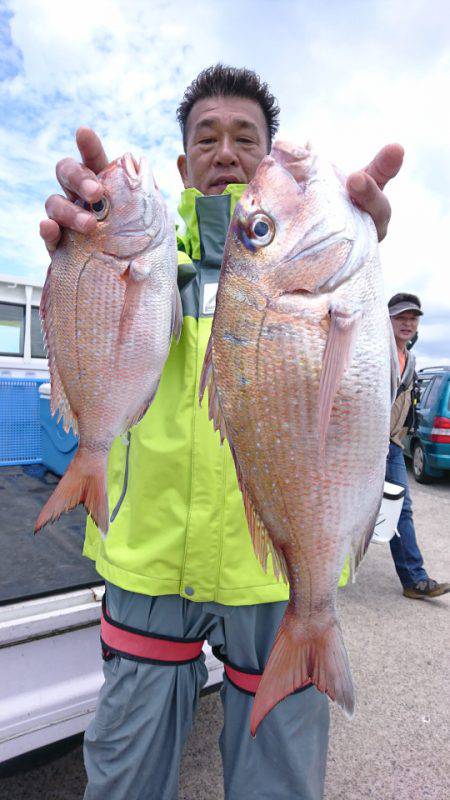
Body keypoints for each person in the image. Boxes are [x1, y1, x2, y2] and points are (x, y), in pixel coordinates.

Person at [40, 65, 405, 800]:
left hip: (272, 570)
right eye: (207, 138)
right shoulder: (147, 255)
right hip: (148, 559)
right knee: (125, 779)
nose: (226, 152)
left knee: (278, 782)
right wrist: (82, 257)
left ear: (269, 159)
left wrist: (363, 235)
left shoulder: (316, 259)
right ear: (183, 165)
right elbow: (99, 328)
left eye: (246, 138)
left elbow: (368, 382)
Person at [387, 292, 450, 600]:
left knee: (400, 507)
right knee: (344, 510)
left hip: (392, 445)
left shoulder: (410, 359)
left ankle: (414, 579)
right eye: (400, 317)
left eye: (412, 318)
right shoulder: (372, 352)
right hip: (359, 446)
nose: (407, 323)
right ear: (386, 322)